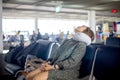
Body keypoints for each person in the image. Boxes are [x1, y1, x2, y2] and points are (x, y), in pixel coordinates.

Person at [25, 25, 94, 80]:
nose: (80, 25)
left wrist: (53, 67)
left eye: (83, 26)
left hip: (68, 71)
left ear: (85, 32)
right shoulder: (68, 41)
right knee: (29, 77)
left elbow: (72, 62)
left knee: (37, 78)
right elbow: (56, 54)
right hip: (54, 66)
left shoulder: (81, 45)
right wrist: (47, 62)